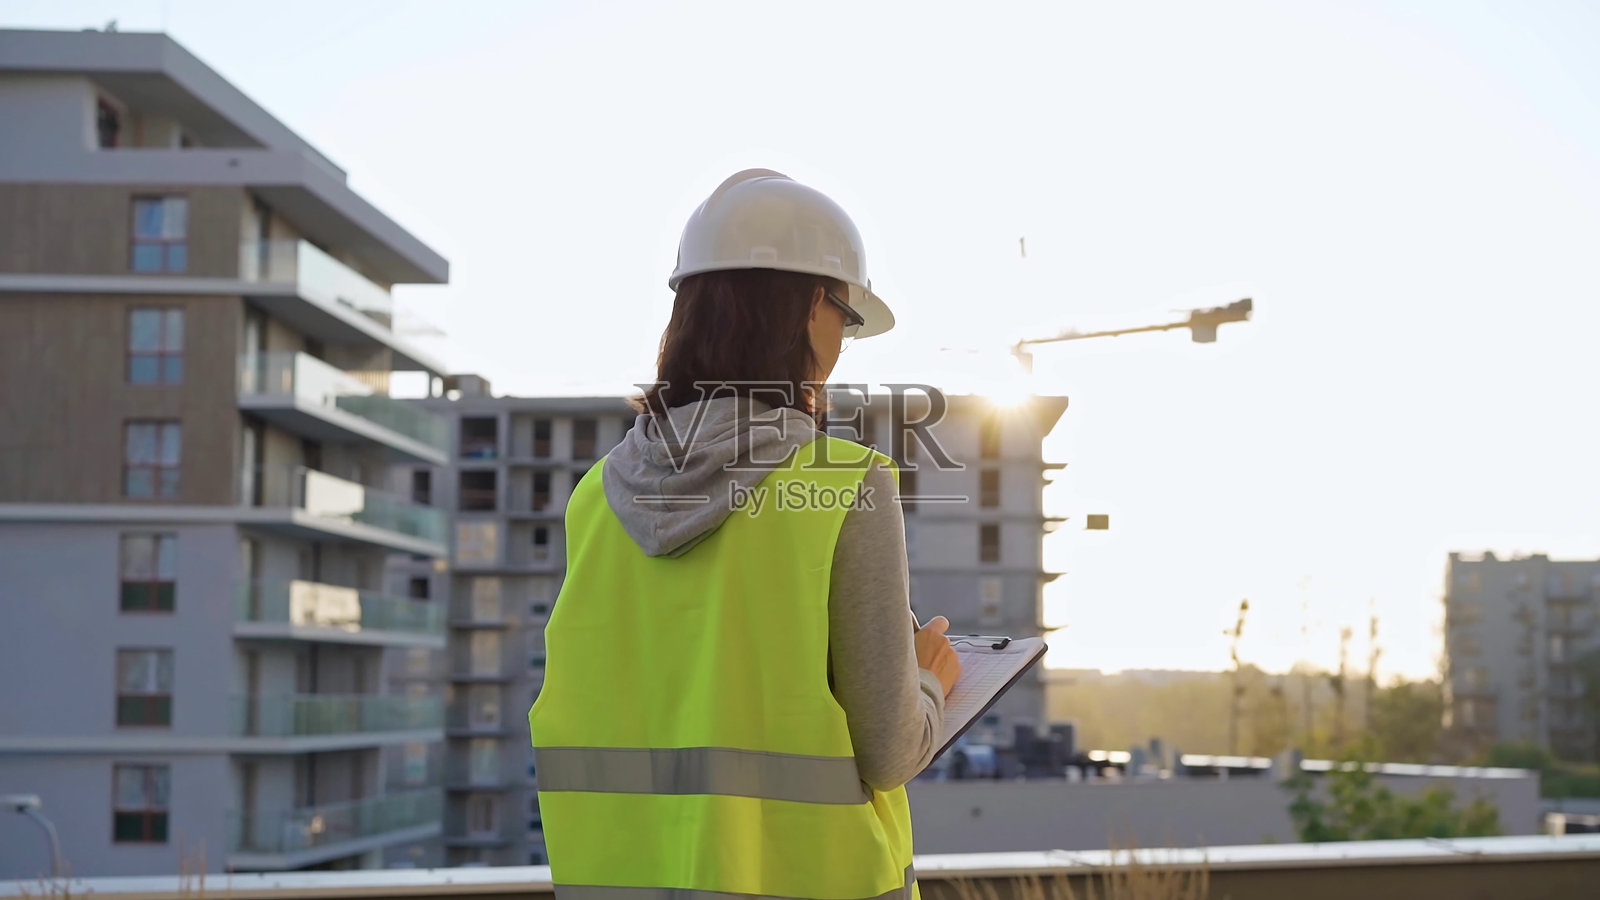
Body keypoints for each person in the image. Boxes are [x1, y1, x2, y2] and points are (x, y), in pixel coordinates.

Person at [529, 169, 961, 900]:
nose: (845, 344)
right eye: (847, 319)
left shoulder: (594, 499)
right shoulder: (844, 483)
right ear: (806, 308)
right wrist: (929, 681)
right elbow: (889, 751)